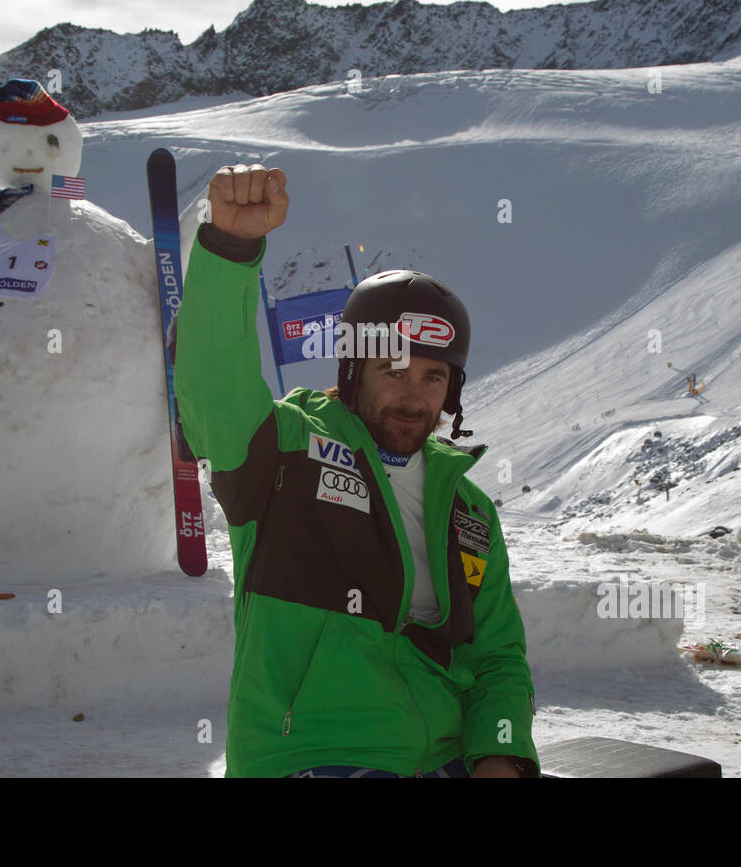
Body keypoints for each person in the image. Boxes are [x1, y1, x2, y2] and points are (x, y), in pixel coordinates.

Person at [175, 163, 538, 778]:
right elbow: (214, 391)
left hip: (446, 757)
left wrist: (500, 755)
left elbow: (498, 656)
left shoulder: (469, 513)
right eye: (394, 371)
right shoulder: (285, 451)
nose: (414, 394)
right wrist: (231, 250)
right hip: (316, 757)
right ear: (352, 373)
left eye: (433, 376)